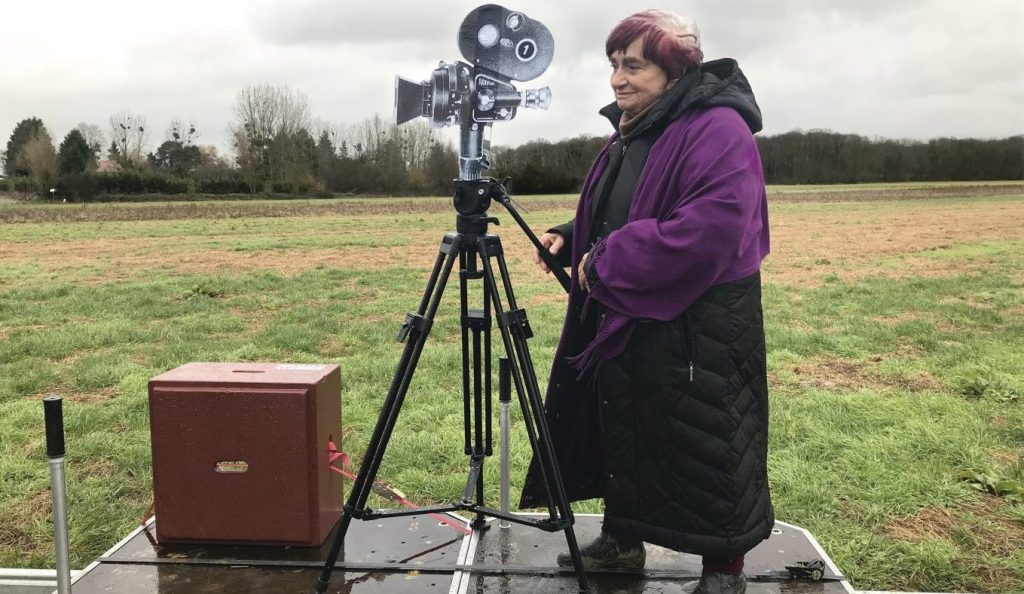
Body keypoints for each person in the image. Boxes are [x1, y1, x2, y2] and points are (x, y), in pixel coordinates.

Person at [519, 9, 773, 594]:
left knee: (708, 441)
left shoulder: (717, 127)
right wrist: (573, 234)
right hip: (632, 313)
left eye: (633, 65)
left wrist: (605, 261)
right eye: (614, 64)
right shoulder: (638, 126)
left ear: (674, 69)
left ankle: (723, 570)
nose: (616, 79)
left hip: (700, 326)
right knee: (625, 429)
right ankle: (622, 537)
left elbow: (709, 228)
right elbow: (627, 206)